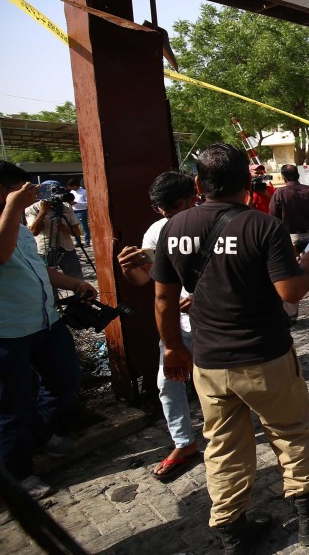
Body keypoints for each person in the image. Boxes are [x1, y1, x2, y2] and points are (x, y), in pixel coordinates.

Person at [151, 144, 309, 552]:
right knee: (290, 431)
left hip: (209, 360)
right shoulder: (263, 226)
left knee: (222, 444)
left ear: (197, 184)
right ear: (248, 184)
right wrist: (305, 263)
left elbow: (162, 300)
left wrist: (173, 348)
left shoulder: (172, 229)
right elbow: (290, 293)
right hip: (264, 355)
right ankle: (307, 515)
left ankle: (231, 530)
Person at [0, 161, 96, 500]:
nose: (26, 197)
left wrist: (74, 282)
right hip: (6, 331)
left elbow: (36, 266)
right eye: (18, 191)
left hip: (43, 321)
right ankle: (17, 474)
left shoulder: (16, 225)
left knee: (65, 378)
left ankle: (38, 433)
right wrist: (12, 208)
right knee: (9, 404)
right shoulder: (9, 221)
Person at [116, 172, 200, 482]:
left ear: (193, 198)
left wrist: (200, 295)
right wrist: (129, 270)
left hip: (214, 322)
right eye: (159, 208)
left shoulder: (211, 225)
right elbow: (149, 280)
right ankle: (184, 442)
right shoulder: (157, 231)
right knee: (168, 383)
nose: (165, 214)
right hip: (176, 325)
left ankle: (233, 436)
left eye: (172, 207)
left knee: (219, 385)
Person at [269, 164, 309, 321]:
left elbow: (273, 217)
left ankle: (291, 314)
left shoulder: (279, 193)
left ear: (284, 177)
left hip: (289, 237)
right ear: (298, 175)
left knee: (289, 273)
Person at [25, 182, 84, 280]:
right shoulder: (32, 209)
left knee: (77, 279)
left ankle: (81, 295)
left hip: (67, 248)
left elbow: (77, 232)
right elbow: (33, 232)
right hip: (45, 250)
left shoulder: (66, 207)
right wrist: (43, 212)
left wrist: (65, 229)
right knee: (48, 282)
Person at [67, 178, 89, 245]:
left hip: (82, 211)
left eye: (71, 186)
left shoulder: (84, 192)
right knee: (75, 227)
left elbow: (88, 203)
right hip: (73, 211)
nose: (70, 188)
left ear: (75, 185)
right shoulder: (72, 192)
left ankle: (87, 241)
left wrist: (77, 203)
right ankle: (78, 242)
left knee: (84, 227)